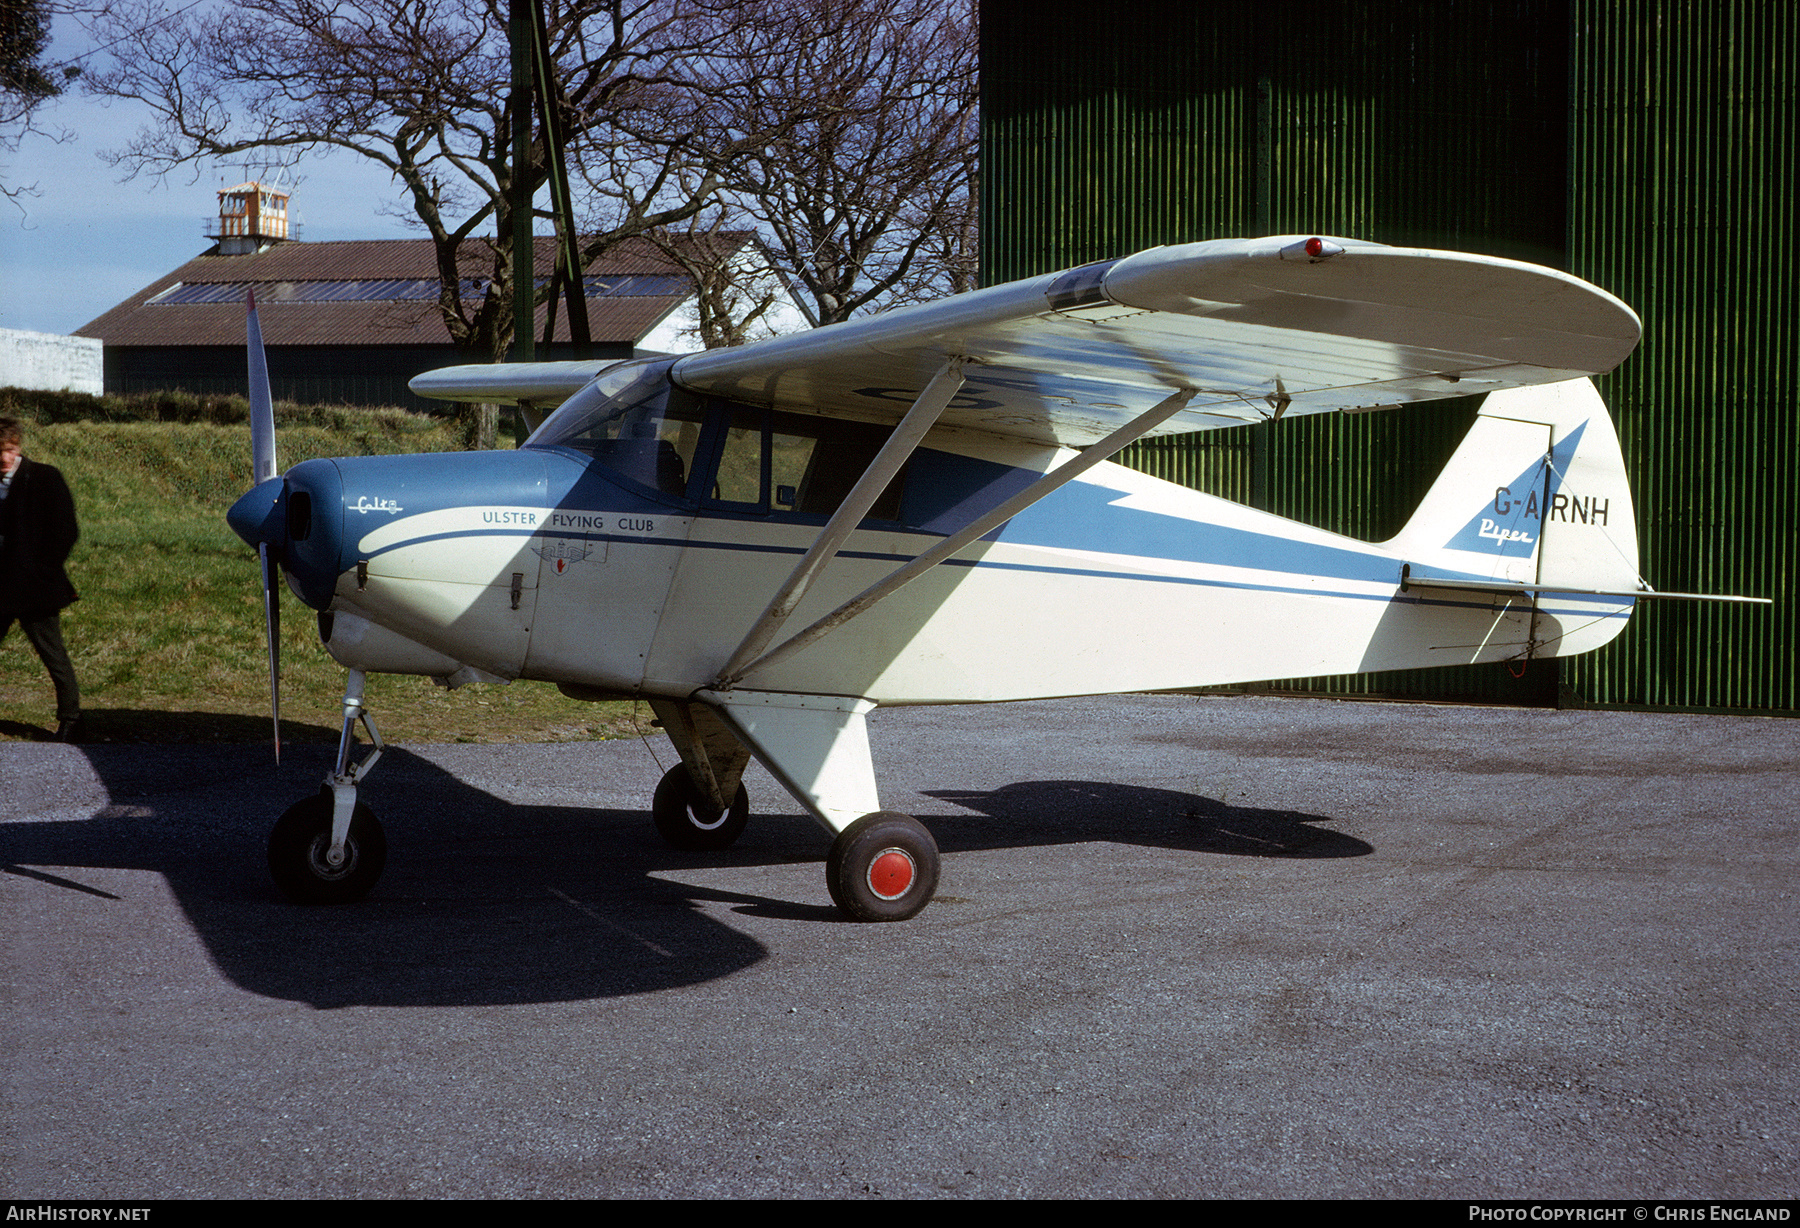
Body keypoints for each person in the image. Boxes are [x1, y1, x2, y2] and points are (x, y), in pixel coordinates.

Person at [0, 416, 83, 741]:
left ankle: (71, 719)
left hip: (36, 588)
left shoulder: (45, 477)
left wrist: (42, 570)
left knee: (52, 653)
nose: (5, 458)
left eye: (10, 449)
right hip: (1, 587)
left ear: (19, 447)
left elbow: (66, 531)